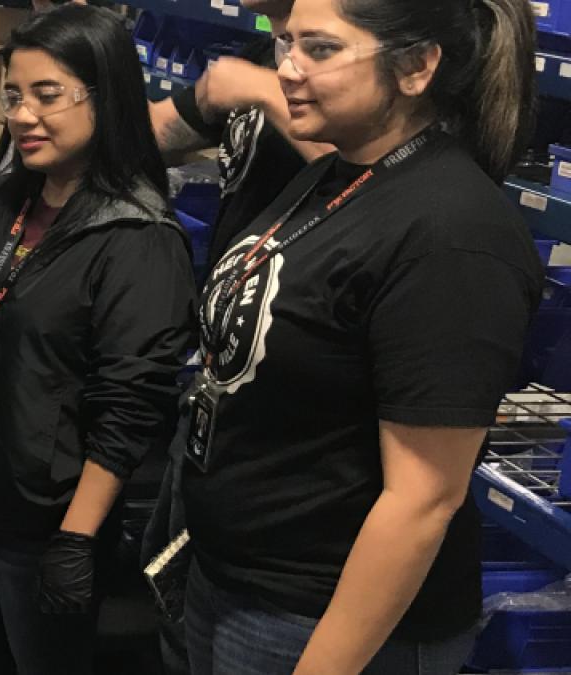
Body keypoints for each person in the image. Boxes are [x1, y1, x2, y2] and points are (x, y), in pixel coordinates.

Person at [179, 0, 543, 672]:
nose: (286, 69)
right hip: (236, 585)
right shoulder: (340, 172)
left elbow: (423, 497)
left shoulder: (452, 234)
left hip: (316, 621)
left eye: (319, 49)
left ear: (416, 68)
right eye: (284, 43)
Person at [0, 6, 196, 674]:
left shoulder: (136, 237)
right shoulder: (8, 202)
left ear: (103, 96)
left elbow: (129, 404)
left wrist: (76, 538)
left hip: (43, 526)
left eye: (47, 95)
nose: (23, 115)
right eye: (14, 96)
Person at [151, 0, 333, 267]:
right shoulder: (257, 57)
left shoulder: (347, 71)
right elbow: (159, 130)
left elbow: (368, 174)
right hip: (234, 285)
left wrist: (265, 91)